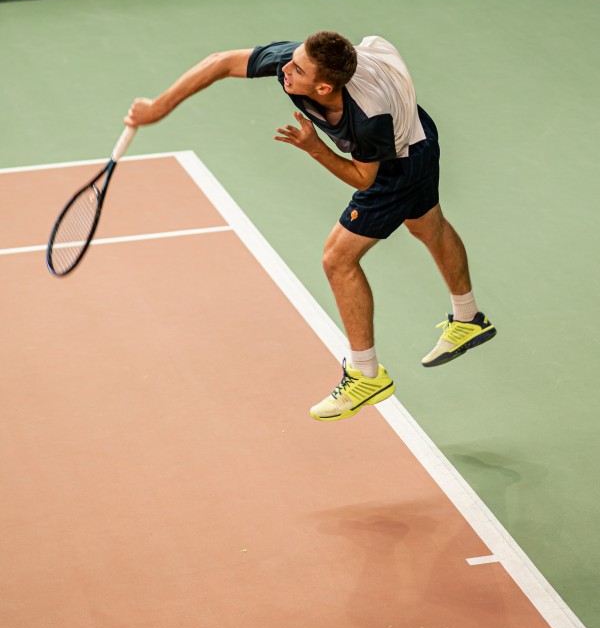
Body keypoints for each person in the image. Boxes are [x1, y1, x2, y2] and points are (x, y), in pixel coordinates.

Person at [125, 31, 496, 422]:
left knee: (338, 259)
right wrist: (158, 108)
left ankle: (366, 375)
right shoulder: (300, 61)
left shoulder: (368, 119)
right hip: (417, 130)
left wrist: (315, 148)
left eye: (297, 69)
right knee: (427, 226)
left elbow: (364, 179)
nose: (285, 68)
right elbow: (221, 61)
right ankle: (468, 318)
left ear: (323, 88)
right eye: (292, 60)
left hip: (398, 159)